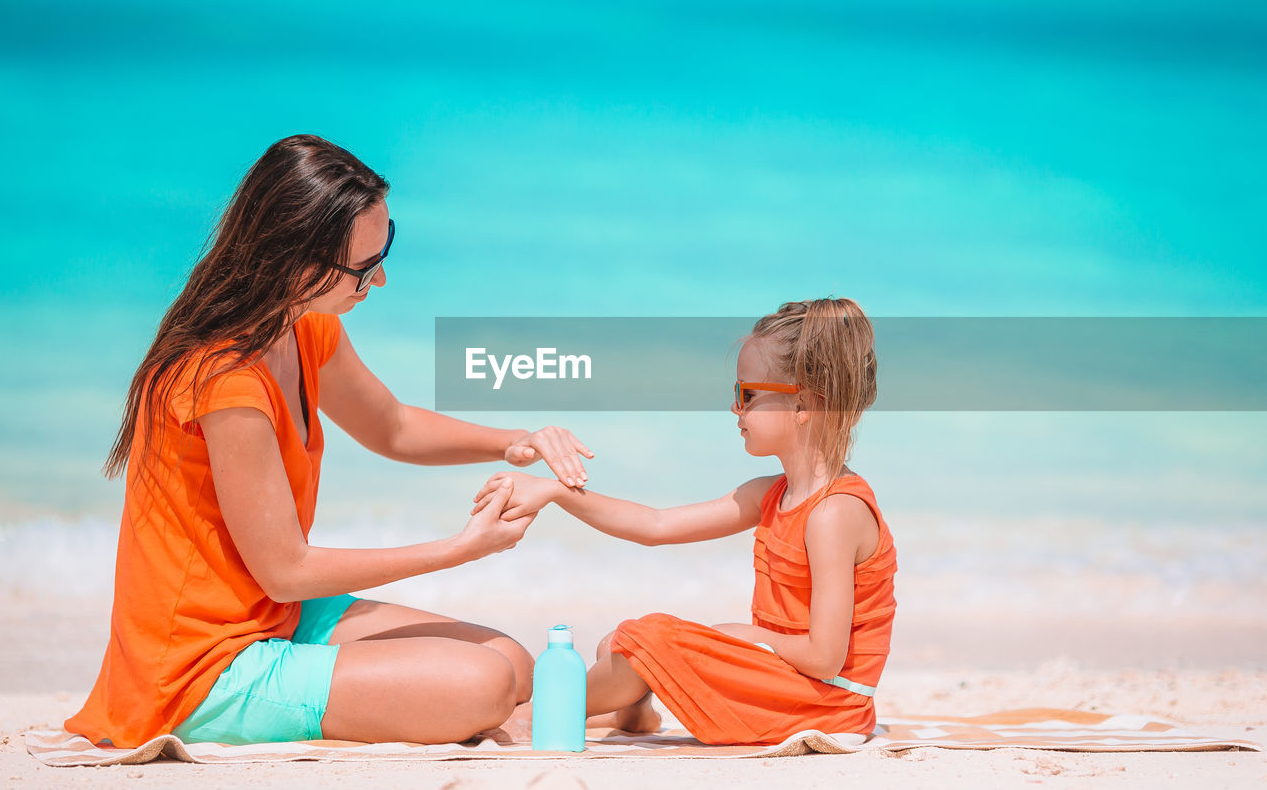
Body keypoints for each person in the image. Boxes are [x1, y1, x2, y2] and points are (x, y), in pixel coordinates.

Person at [66, 135, 593, 748]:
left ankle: (485, 714)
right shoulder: (224, 378)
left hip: (271, 618)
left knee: (512, 659)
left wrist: (515, 440)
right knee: (482, 681)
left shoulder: (305, 324)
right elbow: (287, 570)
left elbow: (391, 425)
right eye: (364, 268)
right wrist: (462, 548)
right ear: (295, 258)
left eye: (385, 245)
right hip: (199, 668)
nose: (382, 278)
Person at [477, 298, 896, 745]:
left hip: (825, 705)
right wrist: (559, 492)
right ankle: (631, 711)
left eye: (747, 395)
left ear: (804, 404)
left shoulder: (833, 513)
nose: (735, 409)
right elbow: (654, 525)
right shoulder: (770, 494)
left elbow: (826, 656)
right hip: (787, 681)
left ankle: (536, 714)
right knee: (621, 642)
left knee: (650, 640)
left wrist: (746, 636)